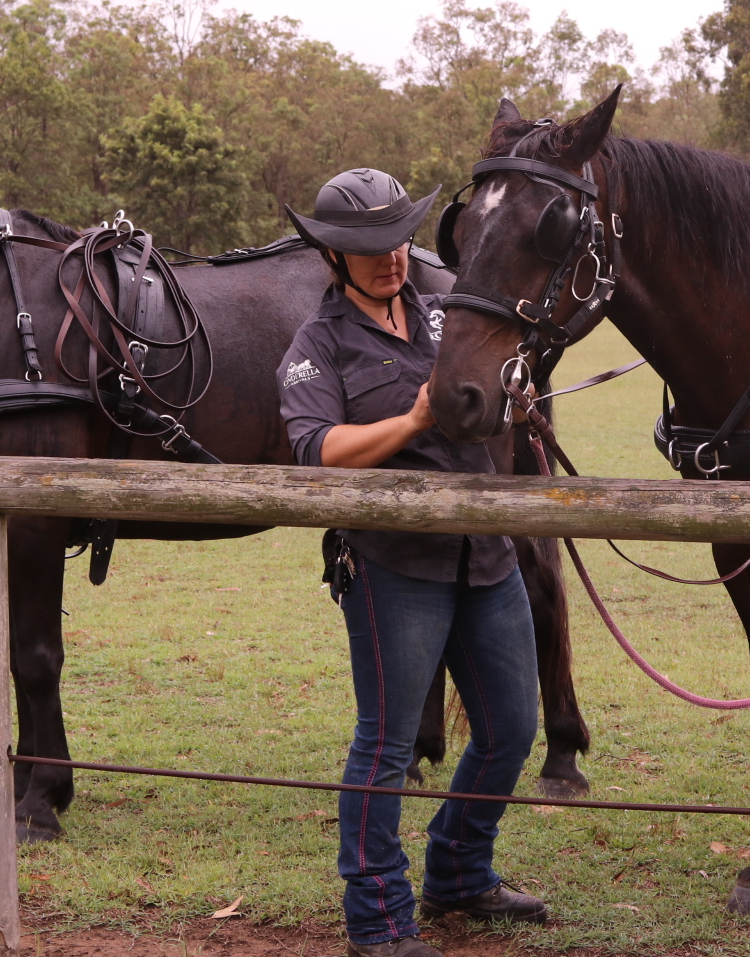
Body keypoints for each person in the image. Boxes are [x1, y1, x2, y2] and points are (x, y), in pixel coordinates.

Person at [277, 168, 547, 957]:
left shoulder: (444, 316)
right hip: (394, 568)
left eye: (396, 240)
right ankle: (377, 919)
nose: (389, 259)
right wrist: (414, 417)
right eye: (367, 249)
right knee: (387, 743)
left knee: (511, 729)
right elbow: (319, 450)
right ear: (332, 256)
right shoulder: (314, 346)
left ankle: (460, 870)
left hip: (485, 555)